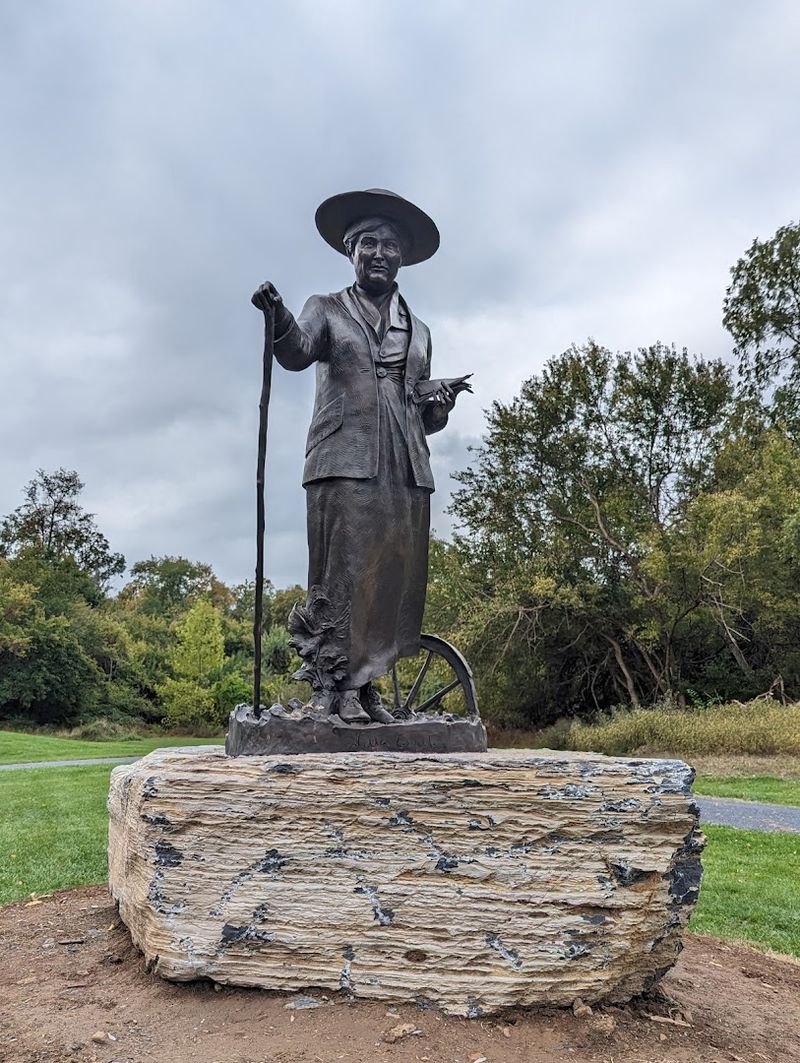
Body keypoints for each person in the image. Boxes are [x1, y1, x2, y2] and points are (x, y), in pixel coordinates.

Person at [251, 189, 468, 724]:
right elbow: (297, 352)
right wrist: (277, 314)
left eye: (390, 245)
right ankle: (336, 687)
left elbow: (422, 414)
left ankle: (368, 688)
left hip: (405, 463)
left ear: (402, 257)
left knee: (391, 574)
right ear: (351, 251)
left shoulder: (421, 332)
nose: (379, 253)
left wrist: (438, 407)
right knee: (344, 572)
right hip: (343, 457)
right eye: (368, 243)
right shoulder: (325, 308)